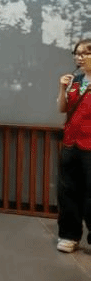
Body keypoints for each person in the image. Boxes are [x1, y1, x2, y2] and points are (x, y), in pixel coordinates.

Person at [56, 39, 91, 253]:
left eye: (85, 53)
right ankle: (69, 235)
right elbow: (62, 108)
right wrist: (62, 88)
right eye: (77, 53)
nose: (79, 57)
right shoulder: (75, 80)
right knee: (67, 191)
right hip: (71, 143)